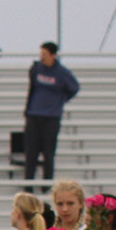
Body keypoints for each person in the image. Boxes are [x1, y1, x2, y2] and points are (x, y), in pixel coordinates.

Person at [23, 43, 79, 184]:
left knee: (48, 153)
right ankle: (28, 184)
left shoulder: (62, 73)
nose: (42, 57)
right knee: (31, 152)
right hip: (34, 114)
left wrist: (60, 100)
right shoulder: (36, 69)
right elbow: (32, 88)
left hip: (51, 117)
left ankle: (46, 184)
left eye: (45, 54)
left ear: (53, 55)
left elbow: (74, 88)